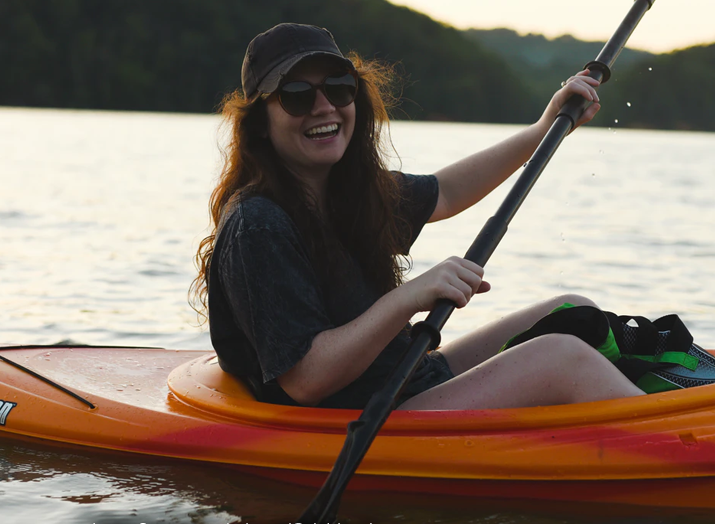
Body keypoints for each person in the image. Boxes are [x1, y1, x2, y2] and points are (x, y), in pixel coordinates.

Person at [190, 22, 645, 410]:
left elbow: (446, 191)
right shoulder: (258, 224)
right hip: (362, 418)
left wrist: (544, 128)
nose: (324, 106)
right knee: (559, 357)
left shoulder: (348, 192)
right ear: (259, 125)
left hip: (403, 381)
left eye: (338, 88)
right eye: (295, 96)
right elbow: (306, 380)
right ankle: (677, 447)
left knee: (574, 311)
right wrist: (410, 296)